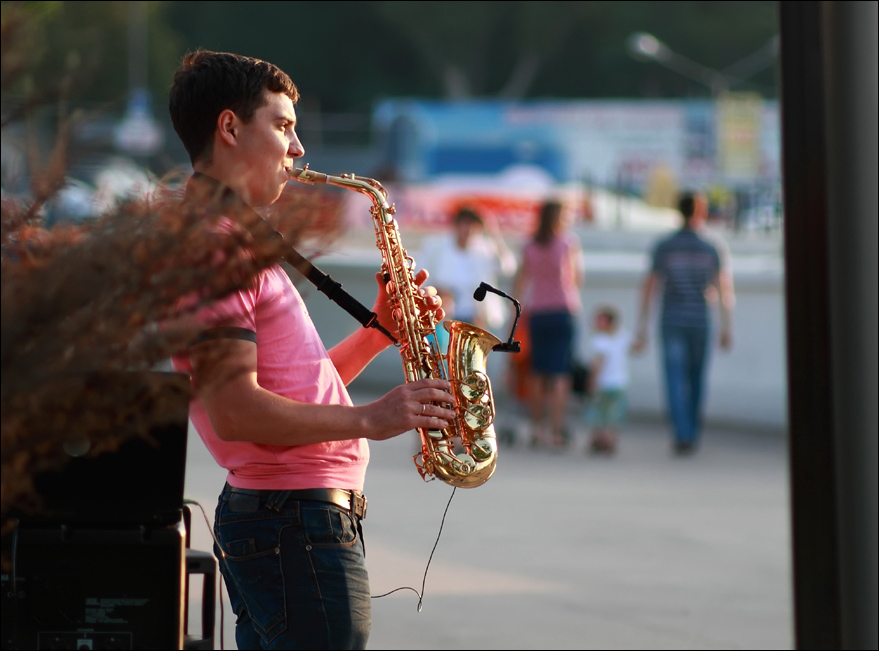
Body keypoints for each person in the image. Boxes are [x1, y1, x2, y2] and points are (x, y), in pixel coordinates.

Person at [166, 50, 454, 650]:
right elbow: (236, 411)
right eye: (283, 125)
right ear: (229, 128)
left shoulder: (228, 238)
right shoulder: (214, 249)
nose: (298, 149)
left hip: (289, 516)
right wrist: (371, 419)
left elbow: (292, 389)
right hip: (292, 519)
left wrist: (378, 331)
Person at [633, 190, 735, 455]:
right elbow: (723, 289)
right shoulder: (712, 246)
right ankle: (691, 430)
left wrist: (642, 325)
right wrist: (726, 326)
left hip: (671, 320)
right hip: (700, 321)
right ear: (700, 211)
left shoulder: (665, 246)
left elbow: (650, 287)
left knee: (675, 378)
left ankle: (682, 433)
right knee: (696, 378)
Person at [512, 199, 584, 449]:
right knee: (561, 374)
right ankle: (555, 430)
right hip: (563, 310)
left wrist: (515, 317)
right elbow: (576, 278)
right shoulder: (567, 243)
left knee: (537, 373)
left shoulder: (530, 246)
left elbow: (520, 283)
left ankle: (536, 428)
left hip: (537, 312)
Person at [417, 205, 517, 332]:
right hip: (444, 316)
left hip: (475, 317)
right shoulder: (437, 247)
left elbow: (508, 268)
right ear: (456, 225)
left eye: (473, 225)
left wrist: (494, 233)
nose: (469, 229)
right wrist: (437, 292)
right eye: (465, 223)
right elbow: (421, 276)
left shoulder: (484, 249)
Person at [585, 305, 635, 455]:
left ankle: (599, 439)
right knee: (614, 414)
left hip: (603, 384)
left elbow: (597, 364)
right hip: (620, 383)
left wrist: (591, 380)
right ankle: (611, 440)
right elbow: (637, 347)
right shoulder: (623, 336)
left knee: (598, 413)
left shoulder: (600, 340)